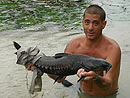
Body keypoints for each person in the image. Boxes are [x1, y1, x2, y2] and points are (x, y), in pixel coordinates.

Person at [26, 4, 121, 97]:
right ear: (83, 22)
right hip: (83, 94)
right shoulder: (73, 45)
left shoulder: (112, 49)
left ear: (103, 24)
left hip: (107, 96)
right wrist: (39, 67)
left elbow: (108, 85)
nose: (90, 28)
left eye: (95, 23)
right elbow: (60, 78)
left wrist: (95, 77)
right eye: (87, 22)